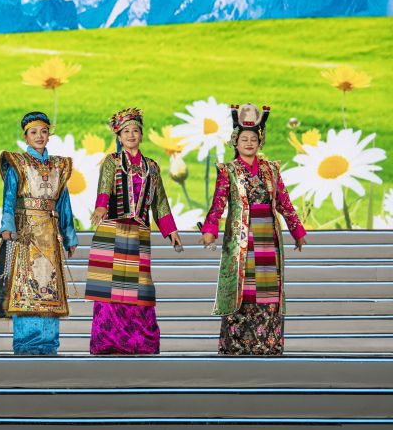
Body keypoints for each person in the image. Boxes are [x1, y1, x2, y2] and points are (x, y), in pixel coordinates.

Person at [201, 104, 307, 355]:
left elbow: (284, 203)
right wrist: (210, 230)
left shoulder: (271, 169)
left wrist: (297, 231)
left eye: (253, 139)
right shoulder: (228, 171)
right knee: (242, 288)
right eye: (244, 139)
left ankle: (268, 343)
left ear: (260, 142)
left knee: (267, 290)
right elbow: (218, 204)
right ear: (235, 142)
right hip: (241, 240)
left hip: (268, 238)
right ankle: (237, 344)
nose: (249, 143)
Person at [85, 107, 181, 355]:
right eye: (126, 131)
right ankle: (108, 340)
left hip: (139, 233)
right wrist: (100, 206)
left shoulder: (152, 167)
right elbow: (104, 186)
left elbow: (160, 202)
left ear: (141, 134)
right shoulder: (112, 161)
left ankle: (140, 341)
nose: (131, 135)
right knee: (110, 288)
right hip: (113, 230)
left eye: (135, 130)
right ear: (119, 136)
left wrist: (170, 231)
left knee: (140, 287)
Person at [0, 111, 78, 355]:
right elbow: (9, 198)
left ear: (49, 135)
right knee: (26, 287)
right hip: (26, 234)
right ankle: (26, 343)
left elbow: (64, 203)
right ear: (26, 136)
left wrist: (69, 236)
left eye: (44, 131)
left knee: (50, 288)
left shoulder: (59, 166)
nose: (39, 136)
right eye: (33, 132)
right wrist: (7, 227)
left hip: (50, 234)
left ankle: (48, 343)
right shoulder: (17, 163)